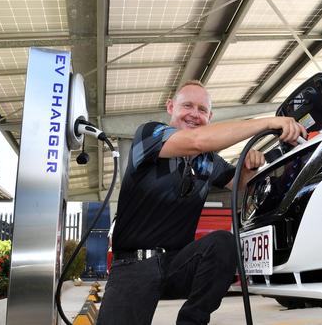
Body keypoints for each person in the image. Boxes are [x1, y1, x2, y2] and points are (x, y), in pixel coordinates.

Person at [96, 80, 306, 325]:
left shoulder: (209, 162)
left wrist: (252, 164)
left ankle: (192, 322)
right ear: (170, 106)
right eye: (187, 106)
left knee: (223, 244)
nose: (194, 114)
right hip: (134, 265)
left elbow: (241, 183)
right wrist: (267, 122)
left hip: (178, 265)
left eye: (202, 110)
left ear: (210, 115)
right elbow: (196, 140)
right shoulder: (149, 135)